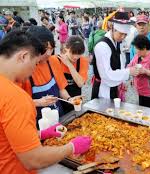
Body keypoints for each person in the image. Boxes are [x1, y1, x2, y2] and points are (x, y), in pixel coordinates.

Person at [0, 29, 91, 174]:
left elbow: (7, 135)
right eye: (35, 63)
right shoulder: (15, 97)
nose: (34, 70)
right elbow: (33, 159)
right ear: (23, 56)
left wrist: (40, 134)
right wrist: (71, 147)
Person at [20, 26, 78, 124]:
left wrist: (69, 99)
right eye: (45, 49)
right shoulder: (23, 70)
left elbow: (61, 88)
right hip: (37, 120)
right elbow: (18, 104)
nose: (48, 53)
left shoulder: (53, 61)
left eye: (51, 49)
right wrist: (39, 102)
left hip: (58, 114)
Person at [92, 11, 139, 100]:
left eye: (125, 35)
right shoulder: (102, 46)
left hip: (114, 86)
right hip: (103, 89)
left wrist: (122, 81)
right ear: (113, 29)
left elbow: (120, 62)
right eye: (121, 34)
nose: (123, 37)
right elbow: (106, 74)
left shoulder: (117, 42)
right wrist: (128, 72)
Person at [127, 35, 150, 109]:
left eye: (137, 48)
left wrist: (146, 71)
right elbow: (129, 66)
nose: (135, 50)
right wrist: (133, 70)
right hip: (140, 92)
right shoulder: (137, 56)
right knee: (141, 112)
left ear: (144, 48)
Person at [58, 36, 89, 114]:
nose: (75, 57)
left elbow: (80, 83)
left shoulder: (83, 61)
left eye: (79, 54)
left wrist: (69, 65)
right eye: (73, 53)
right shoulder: (57, 60)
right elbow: (59, 86)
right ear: (66, 48)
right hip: (61, 100)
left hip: (76, 100)